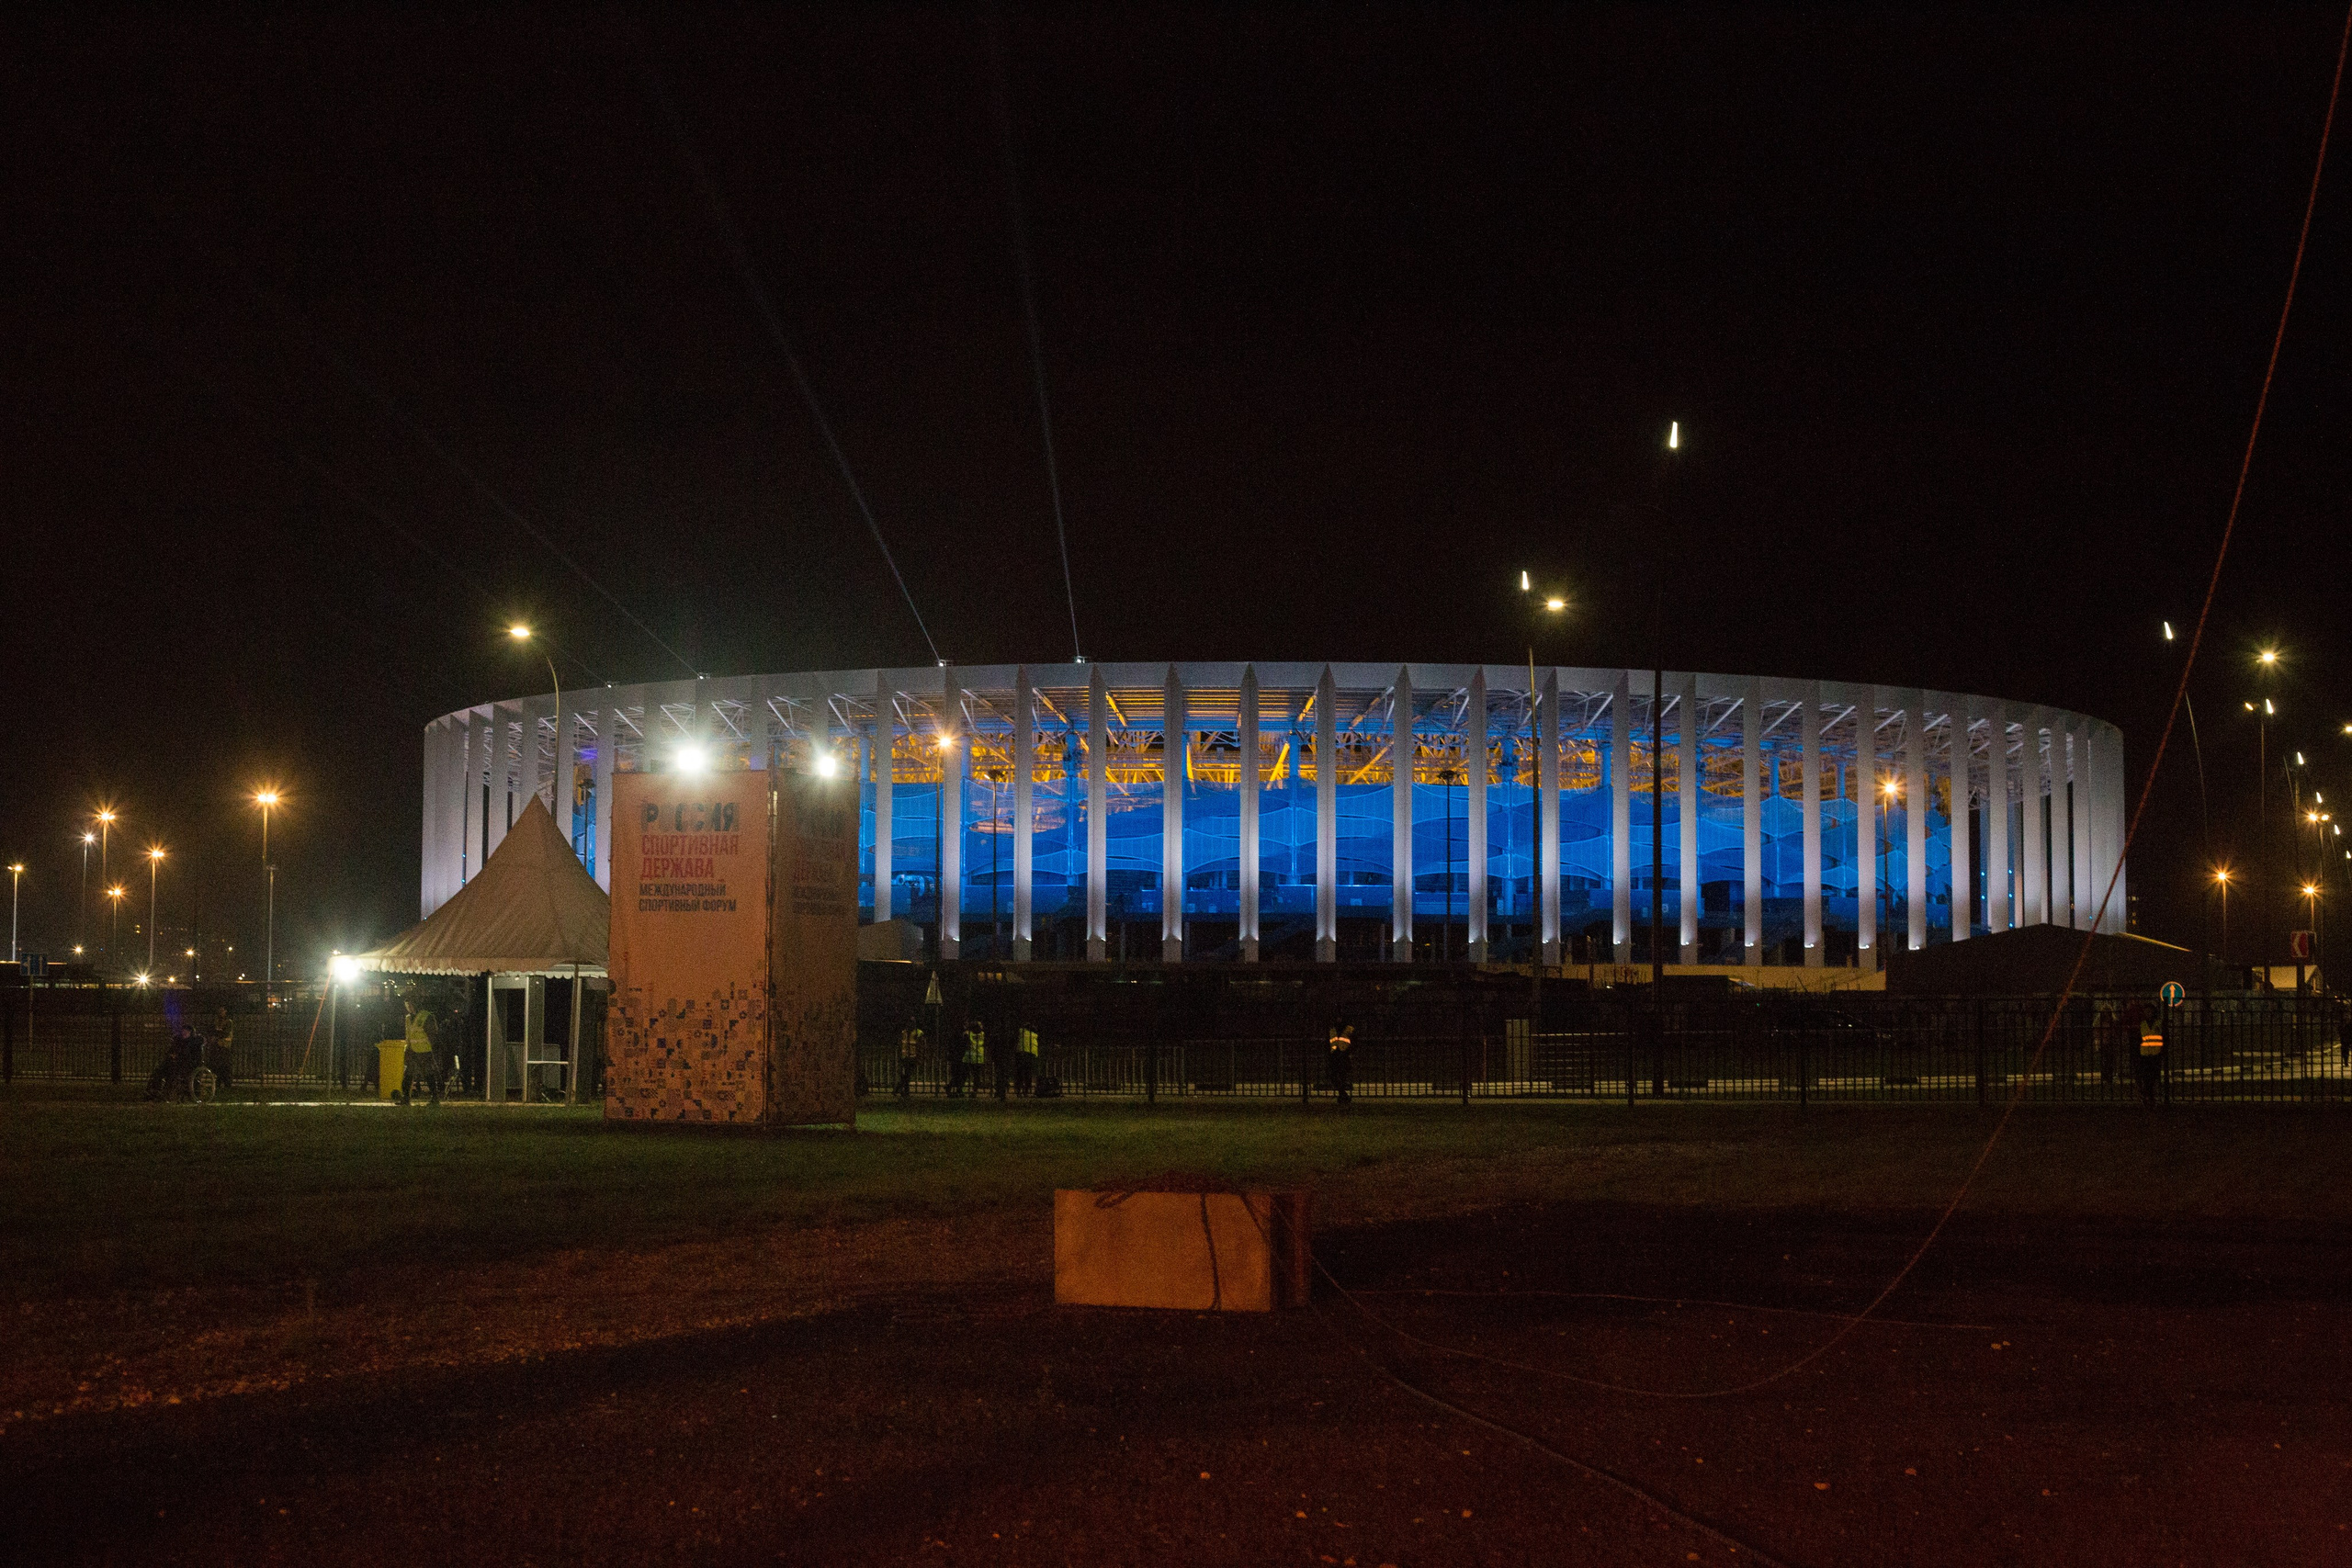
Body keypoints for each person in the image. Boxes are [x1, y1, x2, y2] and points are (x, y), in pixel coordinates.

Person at [145, 1023, 204, 1101]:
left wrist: (180, 1056)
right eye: (183, 1031)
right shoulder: (178, 1041)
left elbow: (195, 1058)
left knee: (172, 1072)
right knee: (159, 1071)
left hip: (187, 1065)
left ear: (191, 1032)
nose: (184, 1033)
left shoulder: (195, 1043)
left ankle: (166, 1094)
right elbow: (171, 1051)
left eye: (187, 1031)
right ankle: (154, 1090)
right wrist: (172, 1055)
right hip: (175, 1062)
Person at [400, 998, 442, 1105]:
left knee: (428, 1074)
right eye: (407, 1005)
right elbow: (408, 1035)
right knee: (408, 1075)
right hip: (412, 1050)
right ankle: (406, 1098)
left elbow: (433, 1034)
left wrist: (431, 1048)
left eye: (410, 1004)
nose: (409, 1007)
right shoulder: (408, 1018)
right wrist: (407, 1048)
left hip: (424, 1051)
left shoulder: (426, 1016)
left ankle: (434, 1098)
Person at [2134, 1010, 2166, 1107]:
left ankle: (2147, 1095)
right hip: (2145, 1054)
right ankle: (2149, 1096)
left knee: (2153, 1076)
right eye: (2147, 1011)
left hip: (2156, 1053)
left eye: (2150, 1011)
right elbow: (2139, 1038)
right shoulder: (2143, 1024)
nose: (2148, 1013)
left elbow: (2164, 1037)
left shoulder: (2159, 1023)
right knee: (2147, 1077)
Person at [207, 1006, 236, 1093]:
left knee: (225, 1065)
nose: (220, 1012)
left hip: (225, 1046)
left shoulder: (228, 1022)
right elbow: (213, 1031)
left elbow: (225, 1033)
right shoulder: (217, 1021)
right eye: (219, 1011)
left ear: (225, 1011)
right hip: (218, 1046)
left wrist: (217, 1033)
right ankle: (219, 1081)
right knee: (218, 1065)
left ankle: (227, 1083)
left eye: (222, 1011)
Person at [955, 1019, 986, 1099]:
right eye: (980, 1025)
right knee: (971, 1076)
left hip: (971, 1058)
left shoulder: (968, 1034)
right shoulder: (982, 1034)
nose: (982, 1027)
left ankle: (964, 1090)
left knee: (968, 1075)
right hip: (975, 1058)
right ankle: (968, 1090)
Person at [1327, 1022, 1354, 1106]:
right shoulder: (1335, 1029)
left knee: (1339, 1077)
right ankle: (1343, 1095)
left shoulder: (1334, 1029)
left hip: (1341, 1056)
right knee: (1337, 1077)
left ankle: (1343, 1095)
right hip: (1338, 1056)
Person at [897, 1021, 924, 1100]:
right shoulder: (904, 1032)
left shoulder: (918, 1033)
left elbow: (921, 1045)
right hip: (905, 1057)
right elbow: (901, 1044)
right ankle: (905, 1091)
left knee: (907, 1075)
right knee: (906, 1075)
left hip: (912, 1057)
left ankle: (900, 1088)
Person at [1014, 1021, 1040, 1098]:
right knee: (1028, 1073)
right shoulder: (1034, 1035)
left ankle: (1018, 1090)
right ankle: (1026, 1091)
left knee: (1019, 1072)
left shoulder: (1020, 1033)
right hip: (1030, 1054)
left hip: (1020, 1053)